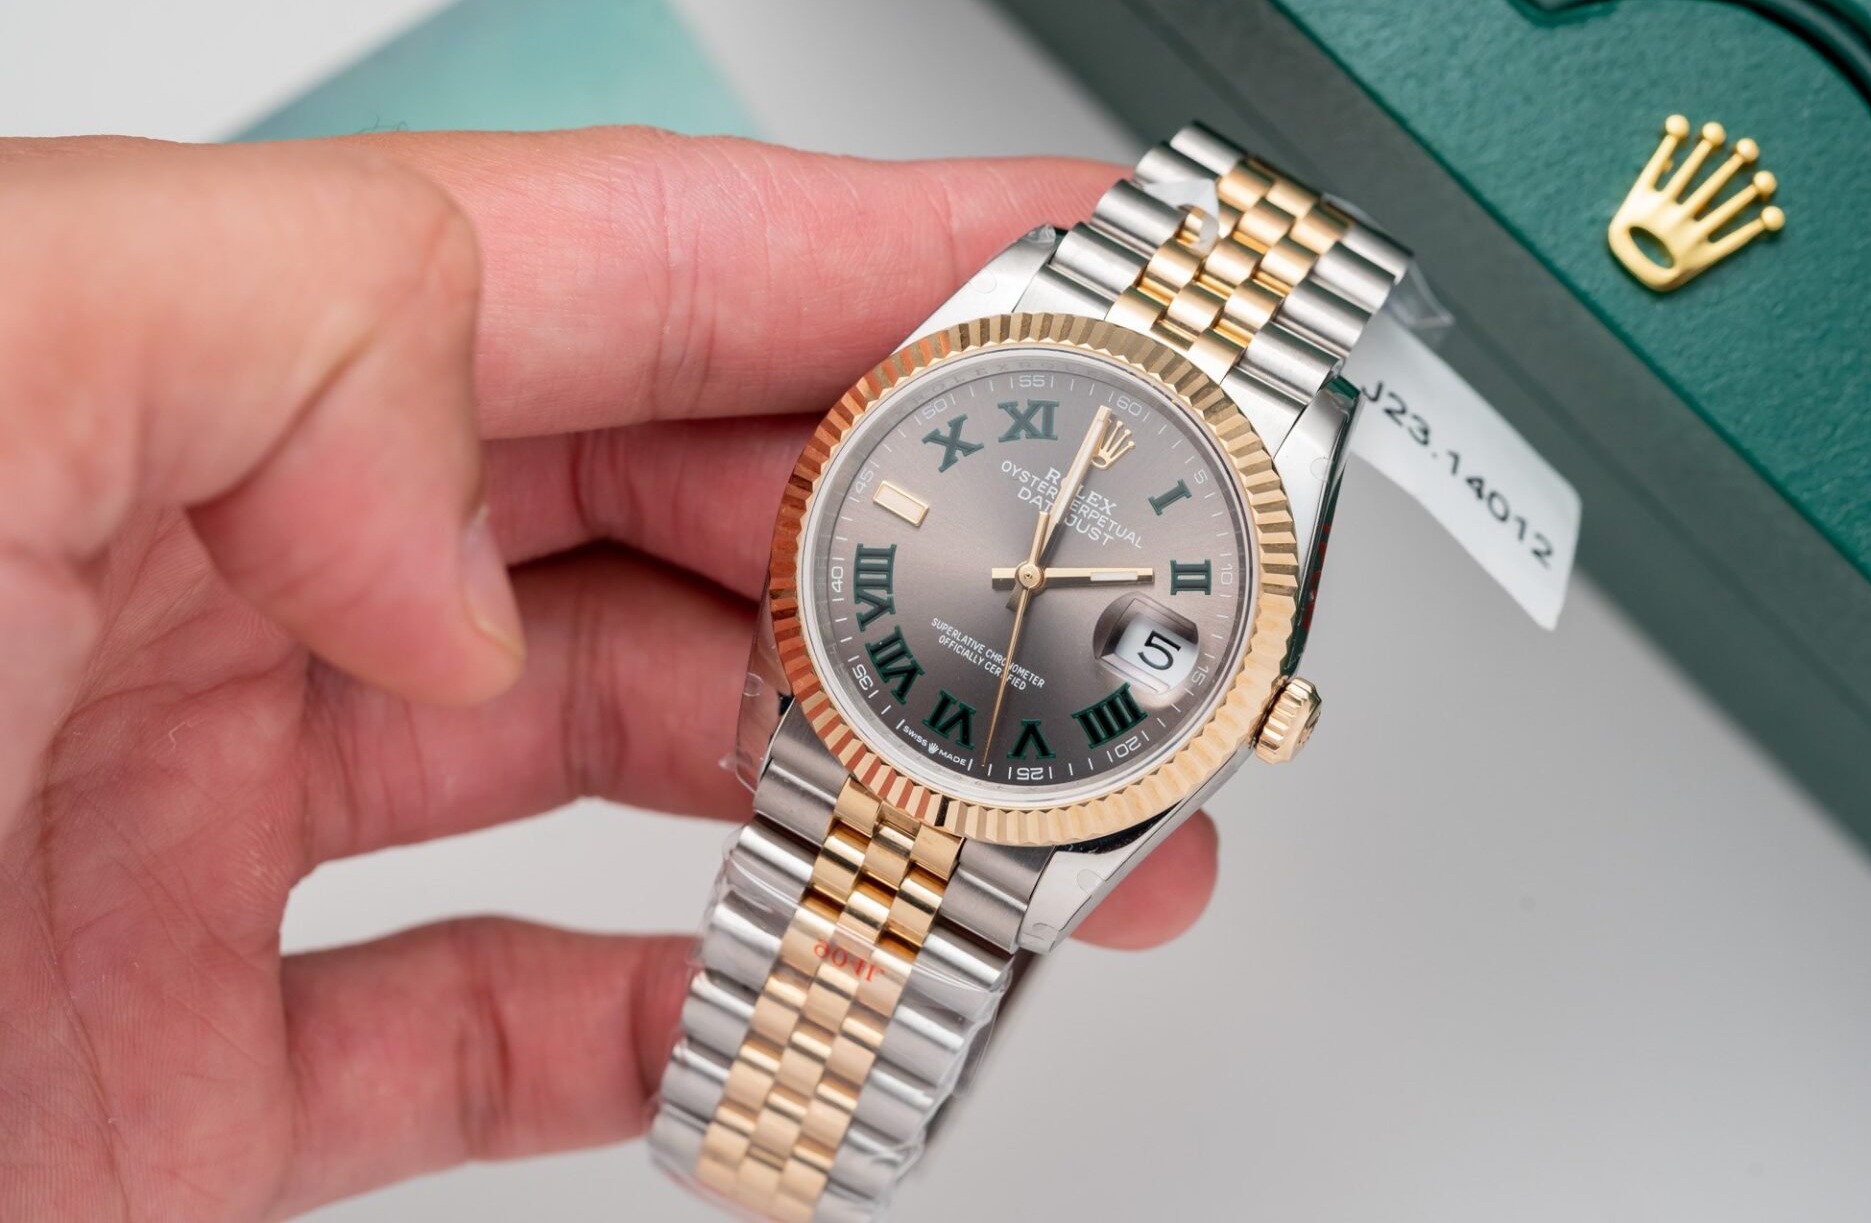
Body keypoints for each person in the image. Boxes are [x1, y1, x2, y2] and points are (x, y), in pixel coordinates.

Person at [0, 128, 1220, 1221]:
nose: (1025, 574)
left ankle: (791, 1151)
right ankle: (778, 1149)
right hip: (848, 708)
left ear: (1258, 705)